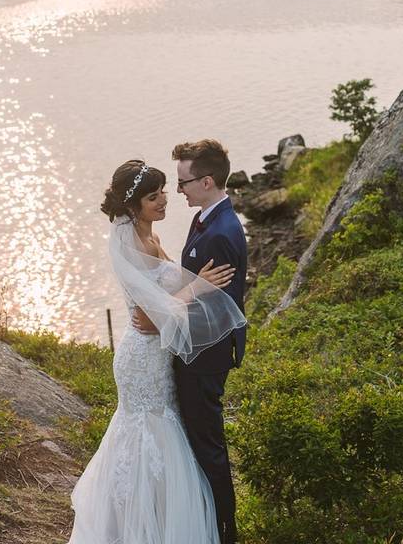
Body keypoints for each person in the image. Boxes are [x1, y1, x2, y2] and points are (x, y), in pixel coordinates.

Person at [68, 159, 246, 544]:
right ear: (133, 206)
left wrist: (187, 289)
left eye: (165, 189)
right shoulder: (127, 240)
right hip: (142, 359)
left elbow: (161, 300)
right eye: (154, 195)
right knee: (149, 436)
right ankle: (138, 529)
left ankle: (161, 523)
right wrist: (197, 287)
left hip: (159, 352)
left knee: (163, 435)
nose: (165, 199)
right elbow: (151, 313)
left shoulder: (149, 236)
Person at [134, 139, 248, 544]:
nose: (177, 190)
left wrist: (163, 316)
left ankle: (222, 531)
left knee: (207, 446)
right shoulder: (209, 220)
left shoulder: (219, 233)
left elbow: (213, 309)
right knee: (198, 441)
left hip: (204, 355)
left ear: (207, 181)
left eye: (182, 182)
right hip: (200, 350)